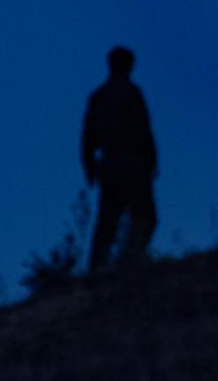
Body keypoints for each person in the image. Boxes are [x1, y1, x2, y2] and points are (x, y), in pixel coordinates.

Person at [80, 46, 158, 270]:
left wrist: (90, 167)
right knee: (143, 216)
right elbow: (144, 130)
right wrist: (151, 161)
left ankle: (105, 266)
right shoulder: (130, 94)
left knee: (109, 219)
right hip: (130, 163)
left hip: (112, 164)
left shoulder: (100, 96)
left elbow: (87, 138)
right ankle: (127, 261)